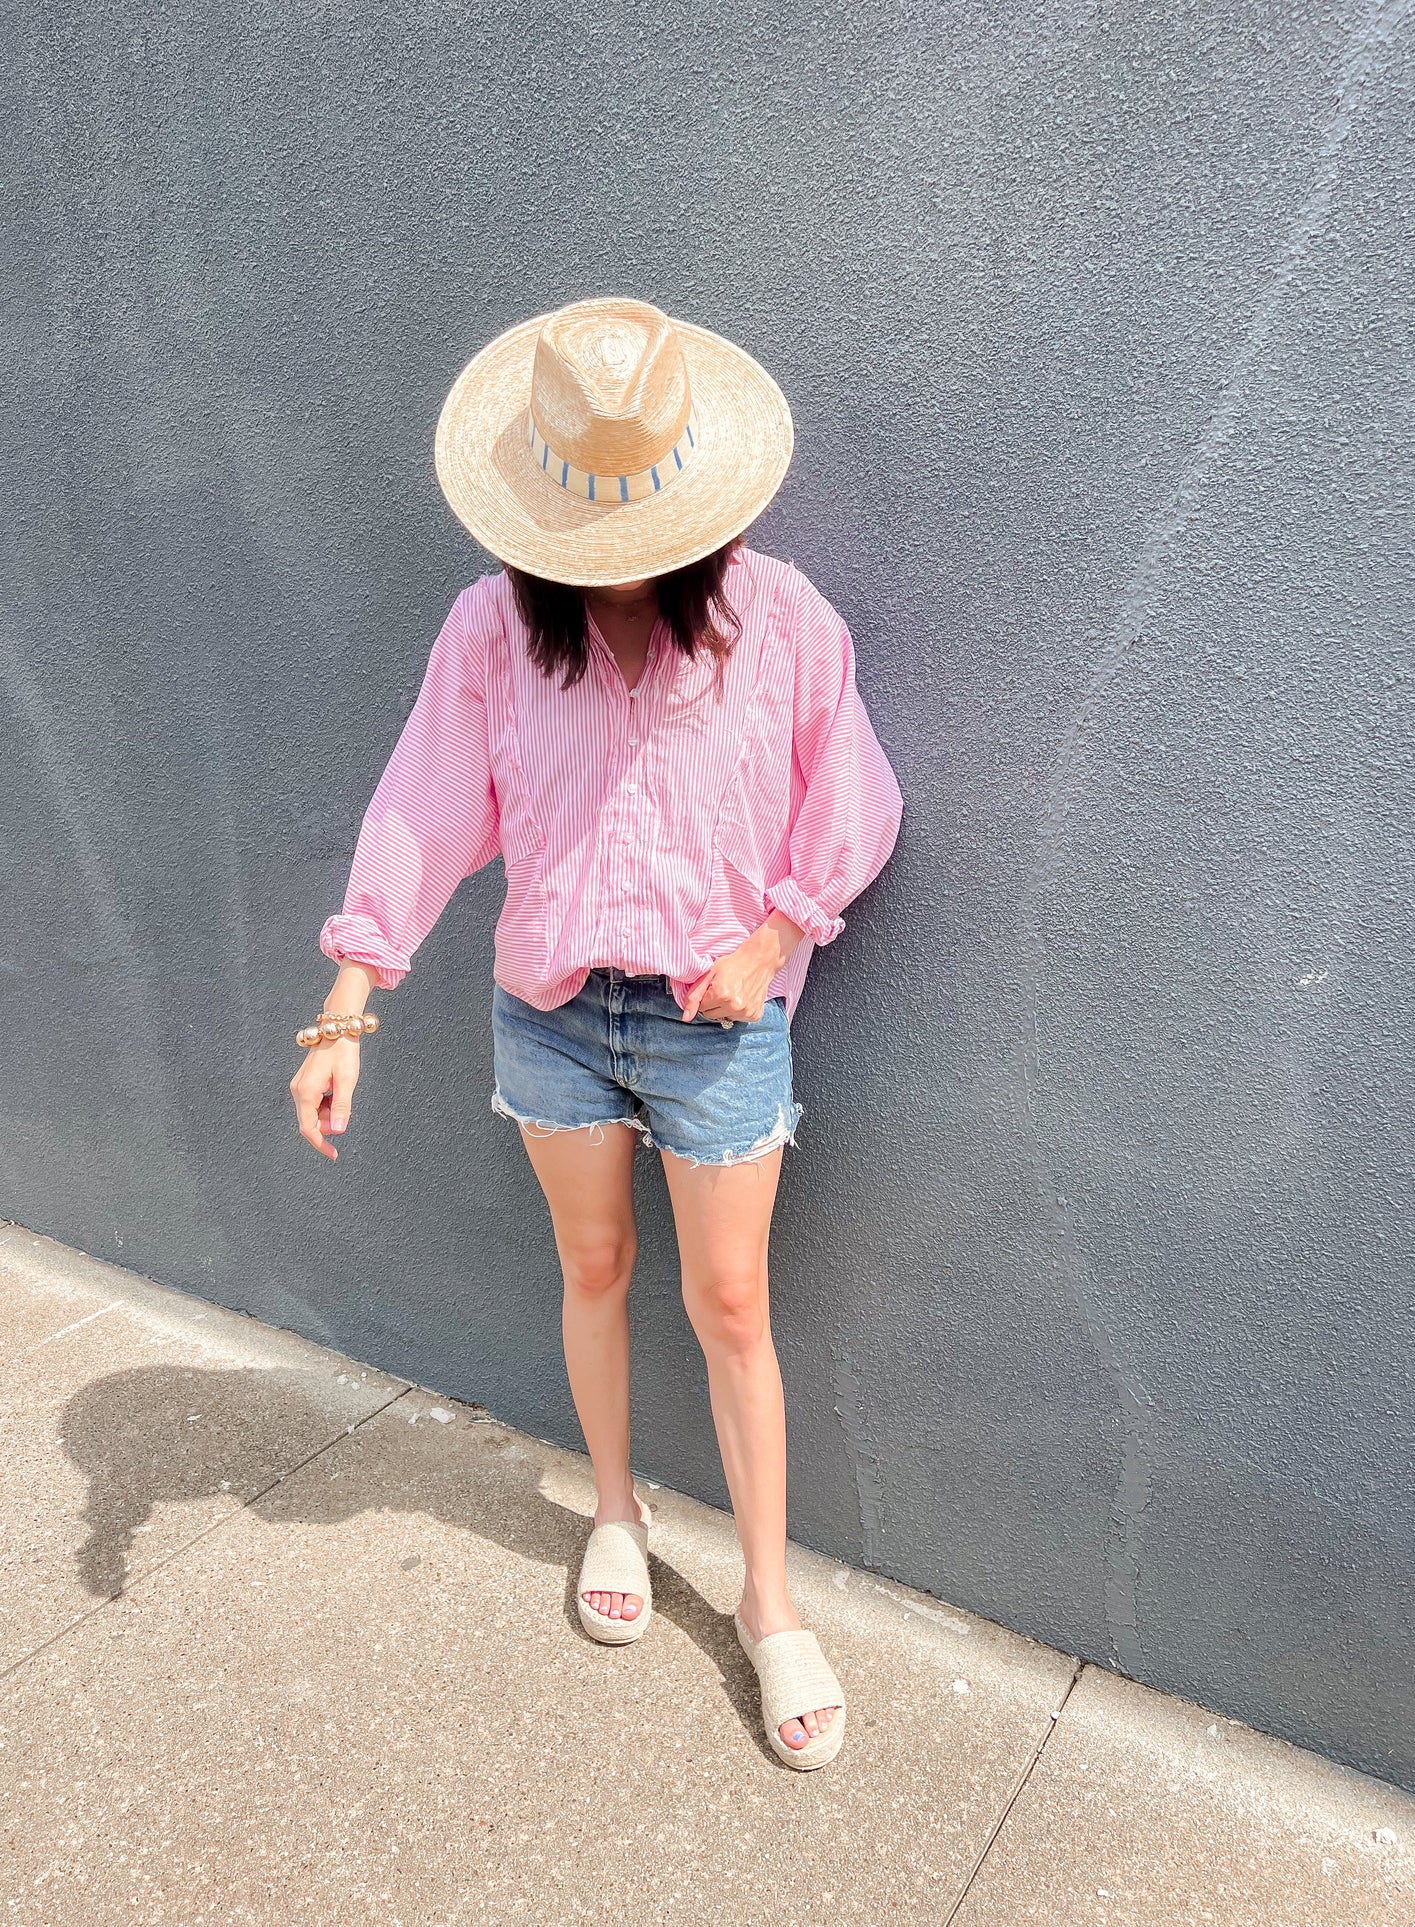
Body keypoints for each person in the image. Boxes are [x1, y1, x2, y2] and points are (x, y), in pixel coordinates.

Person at [290, 298, 903, 1770]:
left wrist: (771, 936)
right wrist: (348, 1003)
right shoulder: (493, 625)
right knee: (592, 1267)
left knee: (733, 1305)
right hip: (551, 1011)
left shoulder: (781, 618)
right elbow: (424, 804)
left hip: (712, 1022)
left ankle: (766, 1603)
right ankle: (613, 1511)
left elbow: (855, 796)